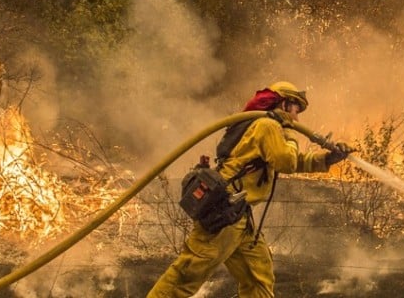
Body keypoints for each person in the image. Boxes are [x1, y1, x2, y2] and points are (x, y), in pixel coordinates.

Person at [147, 81, 352, 298]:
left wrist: (328, 159)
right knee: (185, 277)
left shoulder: (265, 127)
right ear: (284, 103)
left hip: (238, 217)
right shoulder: (267, 126)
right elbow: (286, 161)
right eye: (296, 110)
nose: (297, 118)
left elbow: (290, 161)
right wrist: (291, 134)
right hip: (223, 214)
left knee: (258, 278)